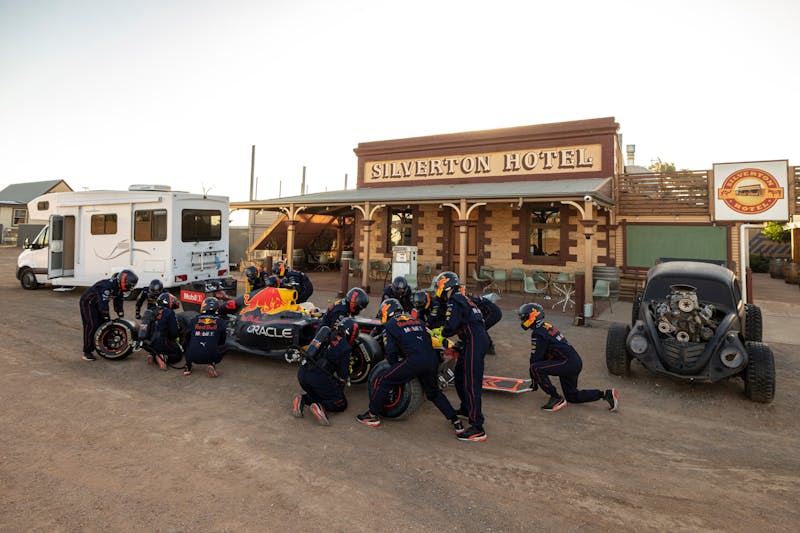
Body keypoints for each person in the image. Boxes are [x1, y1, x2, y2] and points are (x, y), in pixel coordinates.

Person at [356, 298, 464, 436]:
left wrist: (396, 368)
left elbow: (391, 353)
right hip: (431, 359)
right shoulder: (417, 320)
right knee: (434, 393)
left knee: (385, 380)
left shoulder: (390, 324)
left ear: (385, 311)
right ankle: (455, 421)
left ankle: (372, 415)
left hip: (414, 361)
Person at [518, 303, 619, 412]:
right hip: (573, 361)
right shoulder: (546, 326)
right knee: (572, 396)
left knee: (535, 368)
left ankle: (556, 398)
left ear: (532, 316)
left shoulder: (538, 333)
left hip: (566, 363)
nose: (523, 321)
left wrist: (534, 379)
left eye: (524, 318)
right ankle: (605, 394)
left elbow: (535, 359)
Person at [437, 271, 490, 442]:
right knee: (459, 376)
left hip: (474, 340)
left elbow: (451, 326)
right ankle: (467, 408)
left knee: (470, 382)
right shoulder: (464, 298)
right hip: (472, 340)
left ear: (445, 286)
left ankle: (477, 427)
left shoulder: (455, 299)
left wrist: (440, 333)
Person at [292, 318, 359, 425]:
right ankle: (320, 407)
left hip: (302, 373)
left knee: (319, 393)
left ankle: (302, 399)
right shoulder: (345, 347)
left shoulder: (325, 332)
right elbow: (343, 375)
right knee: (340, 403)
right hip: (317, 377)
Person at [79, 269, 138, 361]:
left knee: (103, 324)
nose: (131, 287)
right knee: (91, 325)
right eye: (130, 285)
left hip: (98, 303)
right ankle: (87, 352)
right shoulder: (107, 286)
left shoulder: (118, 287)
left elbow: (118, 300)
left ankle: (104, 346)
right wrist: (106, 316)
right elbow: (103, 303)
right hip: (88, 303)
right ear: (124, 281)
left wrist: (120, 314)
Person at [183, 297, 227, 377]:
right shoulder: (221, 322)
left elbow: (187, 338)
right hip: (212, 355)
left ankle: (188, 366)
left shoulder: (194, 320)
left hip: (192, 356)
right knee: (225, 346)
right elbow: (223, 340)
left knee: (187, 343)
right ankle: (211, 363)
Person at [141, 292, 182, 371]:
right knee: (178, 355)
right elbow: (175, 332)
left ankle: (152, 354)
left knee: (157, 340)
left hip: (147, 344)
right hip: (161, 342)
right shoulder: (169, 313)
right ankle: (163, 357)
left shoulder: (150, 310)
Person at [460, 286, 502, 355]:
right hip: (493, 312)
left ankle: (488, 347)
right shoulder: (470, 296)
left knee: (480, 328)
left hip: (493, 313)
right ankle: (489, 347)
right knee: (481, 328)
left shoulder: (469, 299)